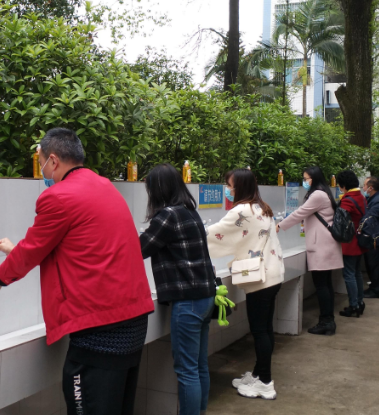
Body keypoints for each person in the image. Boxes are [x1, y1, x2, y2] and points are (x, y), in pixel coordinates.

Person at [0, 128, 154, 415]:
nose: (42, 171)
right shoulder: (104, 187)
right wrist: (14, 250)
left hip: (100, 328)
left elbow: (33, 250)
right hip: (132, 321)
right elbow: (77, 248)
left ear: (53, 160)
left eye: (40, 163)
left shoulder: (58, 196)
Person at [139, 164, 216, 414]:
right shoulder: (189, 211)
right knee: (199, 366)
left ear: (158, 189)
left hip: (188, 302)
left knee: (186, 371)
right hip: (205, 297)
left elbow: (139, 249)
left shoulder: (167, 216)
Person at [207, 169, 284, 400]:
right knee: (266, 329)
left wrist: (188, 234)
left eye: (230, 185)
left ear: (239, 186)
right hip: (273, 274)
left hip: (259, 280)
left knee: (259, 331)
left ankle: (266, 383)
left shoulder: (241, 210)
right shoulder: (262, 207)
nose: (228, 189)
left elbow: (215, 233)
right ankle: (259, 374)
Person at [278, 166, 342, 335]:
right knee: (325, 284)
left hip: (321, 245)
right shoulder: (324, 192)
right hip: (325, 244)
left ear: (314, 178)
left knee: (322, 285)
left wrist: (280, 225)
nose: (304, 182)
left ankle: (326, 321)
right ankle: (328, 321)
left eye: (306, 179)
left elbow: (300, 213)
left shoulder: (318, 195)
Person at [335, 170, 367, 318]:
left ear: (343, 185)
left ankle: (353, 305)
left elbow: (340, 220)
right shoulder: (361, 197)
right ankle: (360, 302)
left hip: (350, 242)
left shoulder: (348, 200)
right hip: (359, 241)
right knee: (356, 273)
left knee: (349, 274)